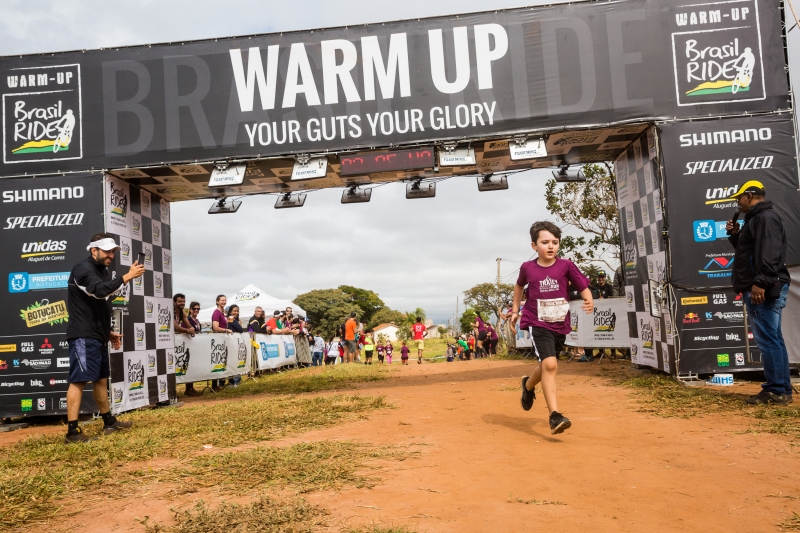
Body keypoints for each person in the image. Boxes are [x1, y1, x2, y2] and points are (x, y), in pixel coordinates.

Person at [512, 221, 593, 435]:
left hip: (559, 323)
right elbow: (519, 286)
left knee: (548, 364)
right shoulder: (527, 268)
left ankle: (528, 386)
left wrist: (589, 300)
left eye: (555, 242)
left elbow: (581, 284)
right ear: (534, 245)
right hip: (536, 322)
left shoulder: (566, 265)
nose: (550, 246)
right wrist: (514, 310)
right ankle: (554, 415)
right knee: (549, 364)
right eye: (545, 242)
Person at [64, 233, 144, 443]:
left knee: (101, 379)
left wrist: (108, 332)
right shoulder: (82, 269)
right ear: (94, 251)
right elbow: (98, 292)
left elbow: (101, 304)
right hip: (82, 335)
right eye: (107, 251)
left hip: (97, 335)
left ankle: (109, 421)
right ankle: (72, 432)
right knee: (79, 381)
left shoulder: (103, 271)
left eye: (113, 251)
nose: (111, 255)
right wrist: (127, 276)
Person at [726, 181, 793, 405]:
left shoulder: (764, 218)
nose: (738, 203)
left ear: (750, 196)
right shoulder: (755, 219)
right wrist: (735, 235)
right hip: (764, 284)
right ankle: (782, 389)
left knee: (767, 339)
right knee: (774, 338)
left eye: (739, 198)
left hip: (764, 287)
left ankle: (775, 390)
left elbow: (770, 253)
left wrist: (761, 283)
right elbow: (751, 252)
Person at [210, 295, 231, 392]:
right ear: (217, 301)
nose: (224, 302)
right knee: (216, 361)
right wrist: (226, 330)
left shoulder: (223, 313)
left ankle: (217, 384)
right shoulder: (216, 313)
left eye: (225, 300)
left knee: (220, 361)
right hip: (217, 339)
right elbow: (215, 327)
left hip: (223, 339)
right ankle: (214, 385)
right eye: (222, 300)